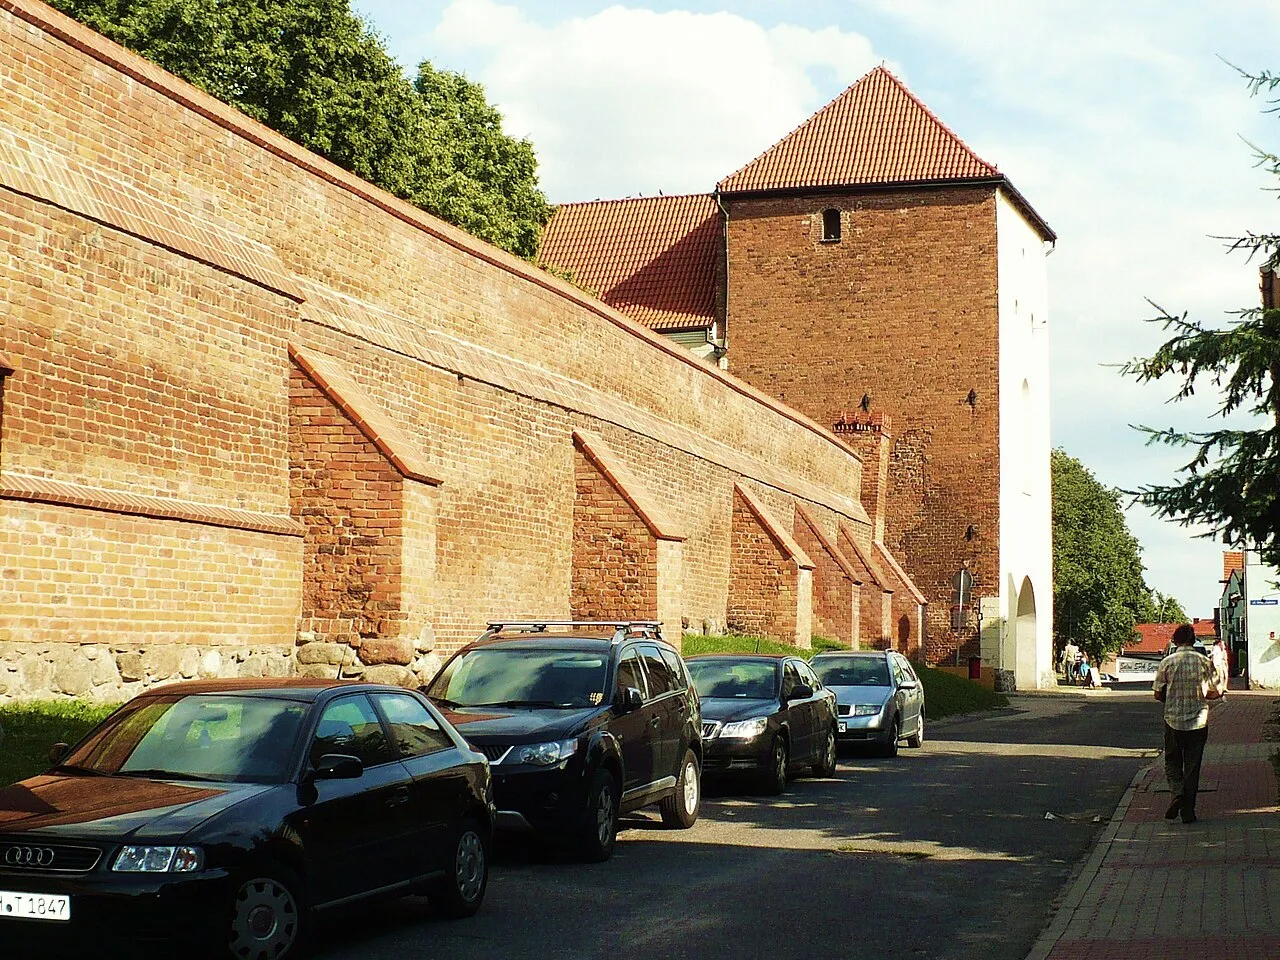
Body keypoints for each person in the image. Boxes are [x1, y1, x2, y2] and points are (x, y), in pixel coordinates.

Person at [1153, 622, 1222, 824]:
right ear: (1194, 640)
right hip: (1198, 721)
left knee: (1172, 761)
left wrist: (1170, 696)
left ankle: (1177, 793)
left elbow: (1158, 694)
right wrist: (1202, 694)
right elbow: (1216, 692)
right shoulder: (1204, 661)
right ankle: (1188, 812)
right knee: (1193, 766)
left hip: (1172, 719)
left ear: (1175, 640)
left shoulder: (1167, 662)